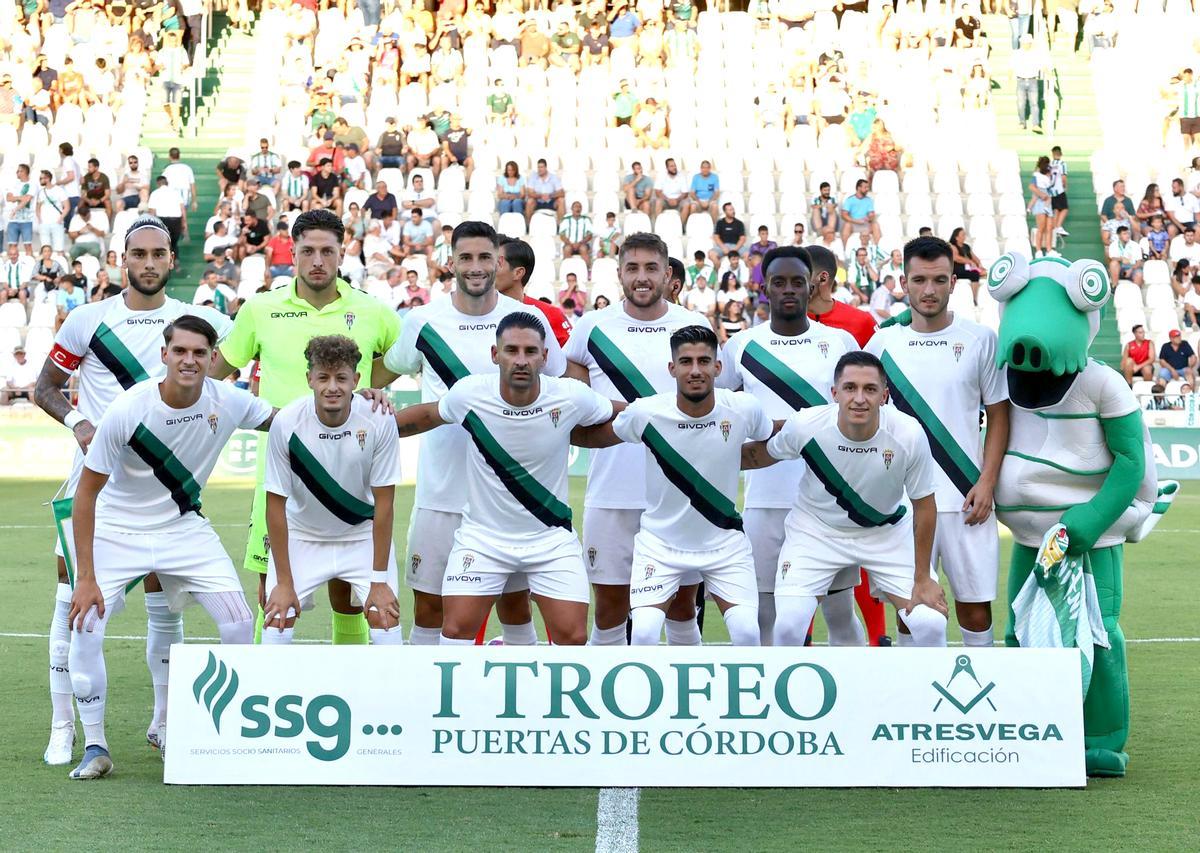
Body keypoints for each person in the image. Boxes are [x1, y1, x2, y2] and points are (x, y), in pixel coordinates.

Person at [33, 217, 232, 765]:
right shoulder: (87, 320)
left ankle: (163, 722)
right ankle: (63, 727)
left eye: (158, 253)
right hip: (94, 483)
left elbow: (239, 372)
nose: (148, 262)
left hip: (167, 486)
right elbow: (44, 387)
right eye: (138, 253)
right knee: (69, 605)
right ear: (124, 259)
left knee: (165, 608)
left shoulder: (199, 324)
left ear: (172, 260)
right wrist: (77, 422)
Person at [65, 314, 273, 779]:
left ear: (213, 358)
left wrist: (360, 404)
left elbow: (286, 422)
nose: (189, 360)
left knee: (240, 625)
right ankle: (95, 745)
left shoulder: (230, 402)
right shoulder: (128, 408)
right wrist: (87, 577)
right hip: (118, 531)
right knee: (85, 627)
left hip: (185, 530)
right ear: (164, 355)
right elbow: (86, 494)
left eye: (200, 352)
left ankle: (214, 737)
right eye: (179, 351)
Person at [208, 209, 402, 645]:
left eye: (327, 251)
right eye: (308, 251)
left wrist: (369, 387)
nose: (318, 260)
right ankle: (265, 692)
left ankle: (347, 691)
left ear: (343, 252)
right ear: (291, 253)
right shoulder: (260, 309)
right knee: (273, 596)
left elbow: (403, 358)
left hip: (352, 474)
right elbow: (217, 372)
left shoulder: (371, 311)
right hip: (283, 476)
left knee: (352, 599)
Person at [372, 222, 566, 645]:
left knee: (515, 606)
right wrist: (369, 391)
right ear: (450, 262)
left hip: (511, 495)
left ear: (499, 261)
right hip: (442, 492)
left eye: (484, 258)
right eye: (466, 258)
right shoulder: (423, 321)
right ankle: (425, 705)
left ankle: (521, 705)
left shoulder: (527, 320)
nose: (476, 267)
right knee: (429, 608)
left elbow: (558, 384)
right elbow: (386, 369)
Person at [392, 313, 617, 645]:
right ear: (495, 355)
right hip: (483, 539)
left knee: (573, 638)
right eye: (511, 350)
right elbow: (426, 415)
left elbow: (623, 414)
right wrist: (370, 428)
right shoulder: (470, 394)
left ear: (545, 356)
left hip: (550, 540)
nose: (521, 360)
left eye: (530, 351)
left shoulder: (570, 395)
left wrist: (668, 417)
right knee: (453, 633)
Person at [574, 325, 771, 645]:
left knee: (747, 632)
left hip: (724, 544)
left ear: (718, 368)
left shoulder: (743, 408)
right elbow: (599, 435)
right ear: (672, 368)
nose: (695, 370)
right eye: (687, 361)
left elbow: (768, 441)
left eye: (704, 361)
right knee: (644, 632)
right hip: (660, 544)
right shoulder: (645, 412)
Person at [564, 233, 716, 645]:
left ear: (668, 274)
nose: (642, 277)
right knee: (610, 611)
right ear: (619, 275)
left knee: (683, 608)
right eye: (632, 268)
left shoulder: (693, 325)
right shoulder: (592, 327)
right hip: (611, 492)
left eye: (651, 268)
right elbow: (575, 397)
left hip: (680, 496)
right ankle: (607, 705)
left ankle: (688, 703)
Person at [742, 350, 949, 647]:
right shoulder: (806, 425)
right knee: (788, 627)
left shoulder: (909, 434)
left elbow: (925, 507)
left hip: (886, 533)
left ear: (885, 396)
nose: (860, 398)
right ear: (834, 393)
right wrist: (704, 460)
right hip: (815, 532)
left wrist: (923, 578)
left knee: (930, 624)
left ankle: (921, 692)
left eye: (870, 389)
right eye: (850, 388)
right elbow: (758, 455)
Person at [867, 237, 1010, 647]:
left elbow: (1000, 415)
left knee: (975, 610)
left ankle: (979, 701)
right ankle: (914, 700)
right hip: (904, 502)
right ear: (904, 283)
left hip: (967, 497)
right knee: (912, 612)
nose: (929, 290)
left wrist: (987, 482)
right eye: (919, 280)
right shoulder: (881, 345)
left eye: (939, 280)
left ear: (953, 283)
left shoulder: (981, 339)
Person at [721, 246, 860, 645]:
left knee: (837, 609)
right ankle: (773, 699)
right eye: (778, 282)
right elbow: (722, 417)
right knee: (766, 611)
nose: (788, 290)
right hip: (764, 500)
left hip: (828, 501)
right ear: (764, 287)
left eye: (797, 282)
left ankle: (856, 698)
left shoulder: (838, 342)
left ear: (812, 284)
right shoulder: (741, 346)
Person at [261, 336, 403, 646]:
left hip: (361, 536)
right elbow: (274, 506)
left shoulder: (379, 419)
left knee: (386, 620)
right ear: (309, 378)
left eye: (341, 377)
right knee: (276, 621)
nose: (332, 387)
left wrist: (379, 581)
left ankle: (385, 695)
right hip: (303, 536)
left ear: (356, 379)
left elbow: (385, 505)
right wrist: (284, 582)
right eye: (323, 377)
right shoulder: (286, 423)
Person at [496, 236, 573, 347]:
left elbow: (573, 361)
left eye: (497, 264)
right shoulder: (476, 314)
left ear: (518, 273)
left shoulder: (549, 314)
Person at [4, 163, 35, 254]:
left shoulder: (32, 185)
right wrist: (21, 197)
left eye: (20, 171)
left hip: (26, 220)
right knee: (12, 246)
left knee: (27, 246)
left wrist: (15, 208)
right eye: (17, 171)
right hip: (13, 220)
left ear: (26, 172)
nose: (17, 172)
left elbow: (27, 199)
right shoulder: (13, 184)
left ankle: (30, 265)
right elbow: (9, 198)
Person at [840, 179, 881, 245]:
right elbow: (844, 215)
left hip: (865, 223)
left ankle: (877, 249)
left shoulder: (869, 200)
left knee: (875, 225)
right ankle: (844, 249)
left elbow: (871, 214)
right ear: (859, 188)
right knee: (847, 225)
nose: (867, 189)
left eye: (868, 187)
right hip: (853, 224)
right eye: (865, 187)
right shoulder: (850, 200)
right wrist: (856, 221)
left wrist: (870, 217)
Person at [1028, 156, 1055, 257]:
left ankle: (1049, 250)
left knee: (1049, 227)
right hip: (1040, 202)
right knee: (1041, 227)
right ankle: (1038, 250)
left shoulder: (1049, 174)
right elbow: (1031, 187)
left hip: (1048, 200)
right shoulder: (1036, 176)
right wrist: (1041, 194)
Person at [524, 158, 565, 223]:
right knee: (529, 201)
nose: (540, 169)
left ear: (546, 167)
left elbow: (561, 193)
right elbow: (529, 193)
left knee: (561, 200)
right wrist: (540, 196)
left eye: (541, 167)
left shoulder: (553, 177)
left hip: (551, 201)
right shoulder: (533, 177)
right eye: (538, 167)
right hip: (538, 201)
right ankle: (528, 225)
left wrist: (550, 196)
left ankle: (560, 225)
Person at [948, 227, 985, 299]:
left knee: (983, 272)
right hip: (957, 269)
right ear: (956, 237)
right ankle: (975, 298)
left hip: (968, 269)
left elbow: (975, 258)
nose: (964, 236)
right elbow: (956, 258)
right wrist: (970, 262)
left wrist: (980, 265)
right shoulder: (952, 246)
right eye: (962, 235)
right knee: (975, 274)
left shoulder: (966, 246)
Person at [1049, 145, 1070, 237]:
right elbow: (1063, 177)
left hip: (1051, 190)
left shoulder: (1050, 164)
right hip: (1059, 189)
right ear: (1061, 154)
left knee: (1056, 209)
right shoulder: (1062, 164)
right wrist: (1065, 186)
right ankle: (1058, 226)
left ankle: (1054, 228)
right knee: (1064, 208)